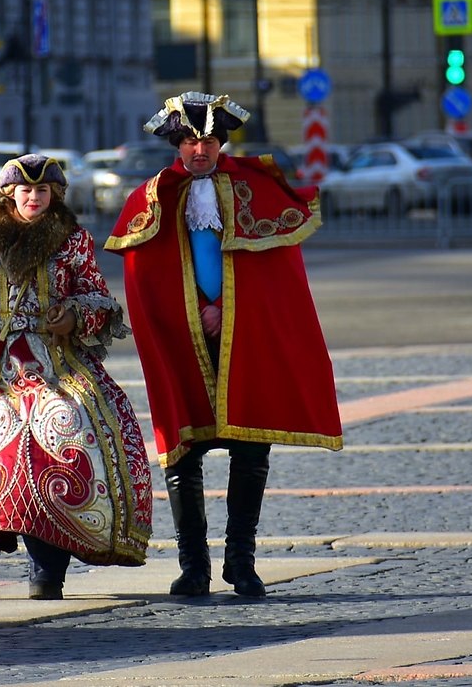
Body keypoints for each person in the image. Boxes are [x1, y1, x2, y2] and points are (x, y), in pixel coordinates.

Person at [105, 91, 343, 598]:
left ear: (221, 143)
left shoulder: (257, 187)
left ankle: (242, 561)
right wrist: (192, 312)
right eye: (190, 140)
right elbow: (147, 283)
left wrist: (230, 310)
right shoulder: (152, 197)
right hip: (182, 340)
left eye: (208, 140)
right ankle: (194, 566)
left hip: (244, 334)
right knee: (183, 453)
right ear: (176, 143)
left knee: (251, 449)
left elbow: (275, 280)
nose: (199, 150)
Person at [0, 153, 153, 600]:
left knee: (67, 444)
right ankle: (12, 539)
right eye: (25, 190)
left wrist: (75, 316)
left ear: (54, 195)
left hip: (59, 363)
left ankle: (49, 568)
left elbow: (98, 297)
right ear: (9, 195)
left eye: (42, 191)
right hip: (2, 366)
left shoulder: (73, 239)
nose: (33, 197)